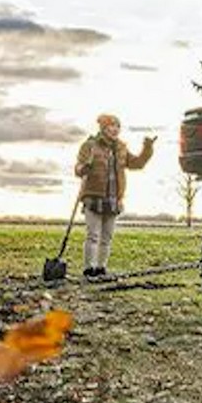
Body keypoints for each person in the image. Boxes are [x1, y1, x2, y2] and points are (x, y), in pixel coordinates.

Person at [74, 113, 155, 281]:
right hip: (94, 196)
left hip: (114, 198)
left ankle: (101, 268)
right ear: (103, 128)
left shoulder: (121, 148)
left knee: (107, 237)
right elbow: (78, 168)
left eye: (118, 126)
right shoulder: (90, 145)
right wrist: (83, 169)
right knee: (93, 235)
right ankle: (89, 269)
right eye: (112, 125)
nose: (115, 129)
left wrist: (147, 148)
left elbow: (137, 163)